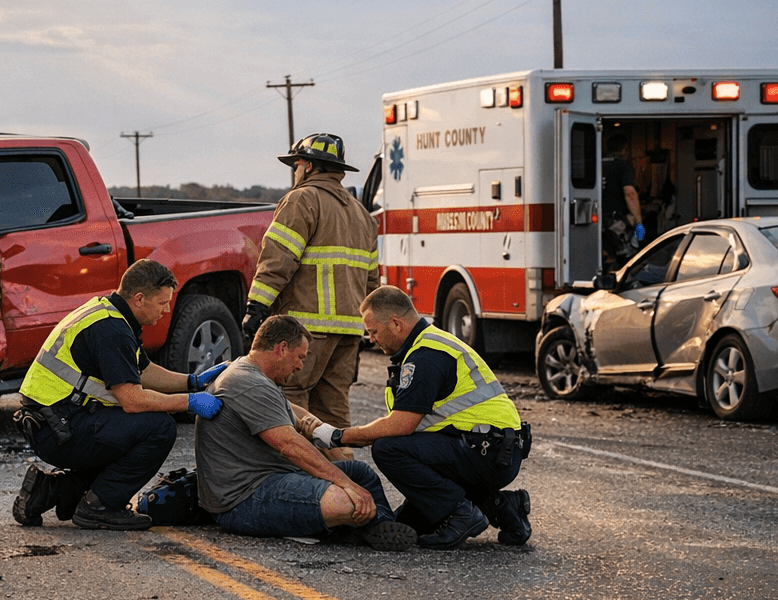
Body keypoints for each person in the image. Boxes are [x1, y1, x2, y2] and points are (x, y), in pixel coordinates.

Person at [308, 285, 531, 549]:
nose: (371, 339)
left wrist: (338, 437)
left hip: (485, 452)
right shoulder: (429, 344)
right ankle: (504, 507)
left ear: (396, 324)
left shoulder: (427, 356)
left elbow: (401, 425)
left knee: (389, 449)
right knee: (409, 523)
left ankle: (461, 514)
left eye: (374, 331)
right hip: (492, 450)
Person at [12, 259, 227, 531]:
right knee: (158, 429)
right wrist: (190, 402)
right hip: (59, 429)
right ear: (139, 299)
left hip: (53, 421)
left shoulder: (109, 313)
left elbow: (143, 370)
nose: (166, 310)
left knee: (125, 436)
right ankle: (100, 507)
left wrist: (191, 381)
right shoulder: (112, 330)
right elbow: (133, 401)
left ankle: (49, 491)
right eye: (162, 303)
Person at [196, 314, 415, 550]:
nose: (300, 366)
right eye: (299, 357)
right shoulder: (249, 383)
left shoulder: (249, 371)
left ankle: (378, 526)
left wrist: (318, 429)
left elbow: (292, 409)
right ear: (282, 348)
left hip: (271, 478)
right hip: (243, 501)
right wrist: (347, 485)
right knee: (344, 500)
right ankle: (362, 526)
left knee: (360, 473)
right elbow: (290, 446)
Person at [241, 133, 379, 460]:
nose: (295, 172)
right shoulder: (362, 214)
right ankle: (349, 482)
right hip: (348, 333)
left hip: (305, 331)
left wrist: (256, 307)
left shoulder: (301, 200)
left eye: (296, 165)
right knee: (334, 419)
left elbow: (277, 260)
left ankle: (301, 484)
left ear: (308, 166)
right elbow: (372, 281)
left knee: (291, 407)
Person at [602, 132, 645, 269]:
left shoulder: (596, 164)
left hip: (597, 221)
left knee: (604, 258)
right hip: (616, 223)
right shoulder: (622, 165)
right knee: (628, 261)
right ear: (625, 149)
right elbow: (630, 193)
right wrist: (639, 223)